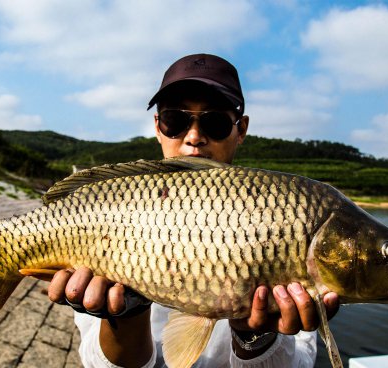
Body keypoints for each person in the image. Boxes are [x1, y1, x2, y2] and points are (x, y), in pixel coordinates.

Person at [48, 53, 340, 367]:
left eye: (214, 122)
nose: (194, 137)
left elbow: (303, 360)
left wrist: (256, 336)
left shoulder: (290, 214)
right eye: (176, 120)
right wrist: (127, 314)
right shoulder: (111, 209)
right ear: (158, 127)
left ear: (240, 129)